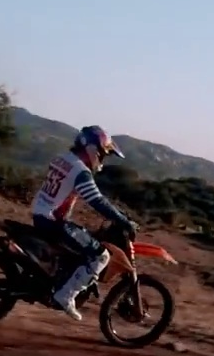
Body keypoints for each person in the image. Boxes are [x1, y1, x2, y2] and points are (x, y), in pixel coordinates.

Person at [30, 125, 138, 320]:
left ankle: (58, 278)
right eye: (103, 154)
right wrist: (122, 220)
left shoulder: (63, 158)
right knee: (100, 256)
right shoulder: (81, 171)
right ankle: (66, 295)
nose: (102, 159)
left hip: (40, 212)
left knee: (81, 242)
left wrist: (116, 213)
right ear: (93, 149)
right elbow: (96, 200)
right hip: (53, 221)